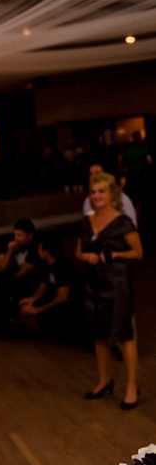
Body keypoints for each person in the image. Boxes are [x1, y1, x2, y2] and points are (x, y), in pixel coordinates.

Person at [78, 173, 143, 409]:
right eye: (93, 192)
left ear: (111, 194)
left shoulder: (123, 222)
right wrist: (86, 256)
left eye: (101, 191)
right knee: (98, 334)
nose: (97, 196)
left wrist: (115, 255)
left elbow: (138, 253)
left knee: (124, 335)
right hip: (93, 282)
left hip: (117, 284)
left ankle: (131, 386)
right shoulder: (86, 222)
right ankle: (105, 380)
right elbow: (78, 252)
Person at [17, 234, 83, 343]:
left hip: (73, 305)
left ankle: (65, 335)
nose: (38, 251)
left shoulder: (62, 266)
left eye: (40, 248)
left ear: (46, 251)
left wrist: (37, 310)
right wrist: (32, 300)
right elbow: (43, 286)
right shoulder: (46, 265)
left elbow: (63, 297)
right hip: (56, 297)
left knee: (42, 309)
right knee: (31, 304)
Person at [0, 219, 41, 335]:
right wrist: (9, 252)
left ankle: (4, 321)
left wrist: (6, 280)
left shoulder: (36, 246)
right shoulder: (9, 242)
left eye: (20, 235)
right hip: (14, 272)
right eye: (15, 234)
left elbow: (25, 270)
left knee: (4, 288)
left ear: (30, 235)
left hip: (31, 277)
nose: (16, 238)